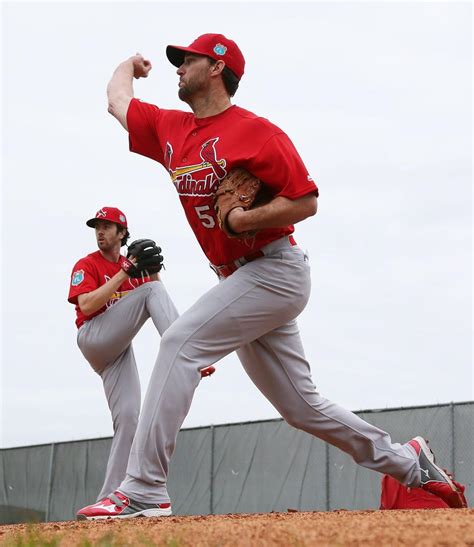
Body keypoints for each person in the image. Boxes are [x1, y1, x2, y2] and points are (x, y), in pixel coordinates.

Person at [77, 34, 466, 519]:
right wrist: (128, 64)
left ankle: (144, 490)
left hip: (275, 269)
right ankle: (410, 463)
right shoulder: (171, 128)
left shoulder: (257, 132)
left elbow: (306, 200)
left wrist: (242, 221)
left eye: (187, 59)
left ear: (217, 68)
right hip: (238, 281)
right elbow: (118, 101)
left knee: (179, 343)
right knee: (302, 406)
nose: (178, 67)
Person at [69, 206, 213, 504]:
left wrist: (153, 273)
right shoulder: (89, 264)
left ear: (122, 234)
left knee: (130, 419)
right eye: (97, 226)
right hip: (94, 336)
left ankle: (111, 497)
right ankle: (190, 351)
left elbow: (158, 297)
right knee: (150, 294)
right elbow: (86, 306)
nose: (100, 231)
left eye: (108, 227)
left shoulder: (132, 269)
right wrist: (125, 272)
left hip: (117, 350)